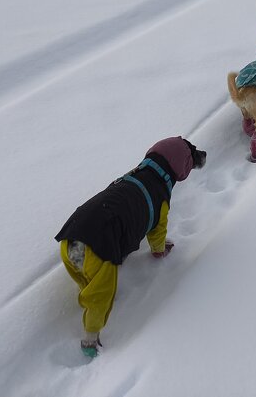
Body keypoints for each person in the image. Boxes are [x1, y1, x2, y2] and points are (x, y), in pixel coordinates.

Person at [54, 136, 207, 357]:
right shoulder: (160, 196)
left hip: (71, 237)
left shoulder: (130, 179)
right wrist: (159, 249)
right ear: (179, 168)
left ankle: (87, 289)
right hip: (96, 246)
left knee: (89, 277)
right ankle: (89, 340)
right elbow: (158, 229)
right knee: (101, 295)